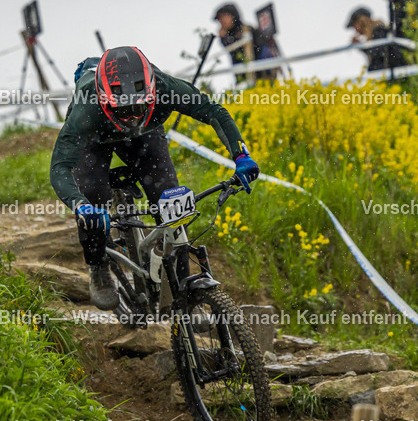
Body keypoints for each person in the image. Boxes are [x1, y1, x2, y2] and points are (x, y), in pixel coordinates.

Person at [50, 46, 261, 310]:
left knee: (170, 202)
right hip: (95, 140)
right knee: (93, 198)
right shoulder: (87, 108)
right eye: (124, 111)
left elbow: (214, 112)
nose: (133, 116)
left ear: (151, 93)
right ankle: (98, 265)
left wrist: (240, 155)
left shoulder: (165, 88)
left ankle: (187, 295)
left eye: (140, 106)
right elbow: (60, 167)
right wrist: (81, 206)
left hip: (145, 138)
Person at [213, 3, 281, 85]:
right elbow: (233, 52)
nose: (222, 21)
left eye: (225, 17)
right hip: (242, 80)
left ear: (233, 15)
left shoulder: (248, 30)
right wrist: (224, 38)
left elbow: (263, 52)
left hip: (260, 78)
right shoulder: (226, 36)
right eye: (220, 19)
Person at [345, 6, 406, 72]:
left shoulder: (379, 32)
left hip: (390, 75)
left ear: (361, 21)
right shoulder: (377, 33)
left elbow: (379, 58)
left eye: (354, 25)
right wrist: (361, 47)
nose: (355, 30)